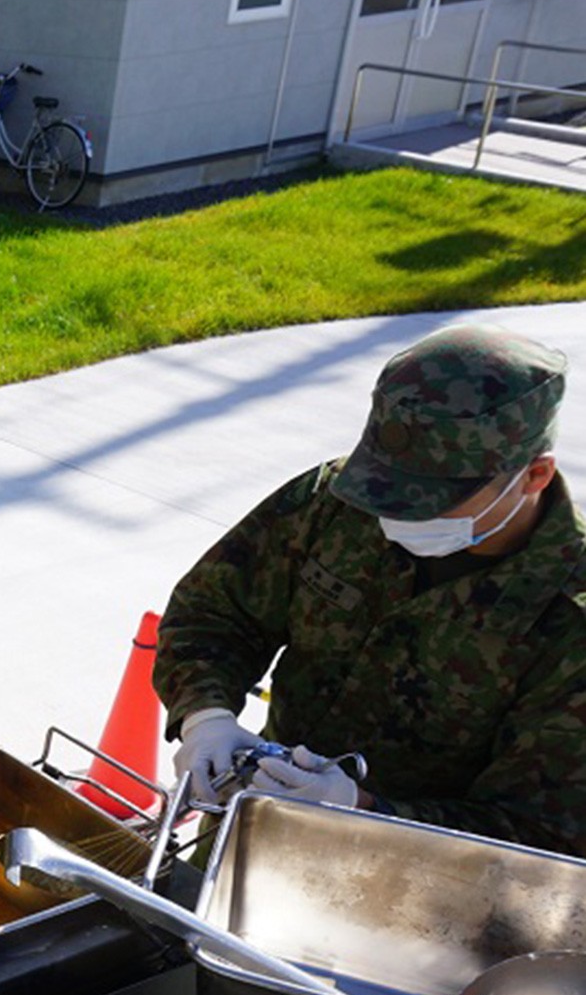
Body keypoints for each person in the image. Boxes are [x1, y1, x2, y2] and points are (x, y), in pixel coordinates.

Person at [156, 321, 585, 855]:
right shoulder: (339, 503)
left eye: (435, 495)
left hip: (421, 891)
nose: (399, 511)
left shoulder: (569, 621)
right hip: (253, 840)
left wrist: (361, 812)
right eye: (389, 482)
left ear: (534, 476)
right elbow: (213, 611)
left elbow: (543, 835)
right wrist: (207, 717)